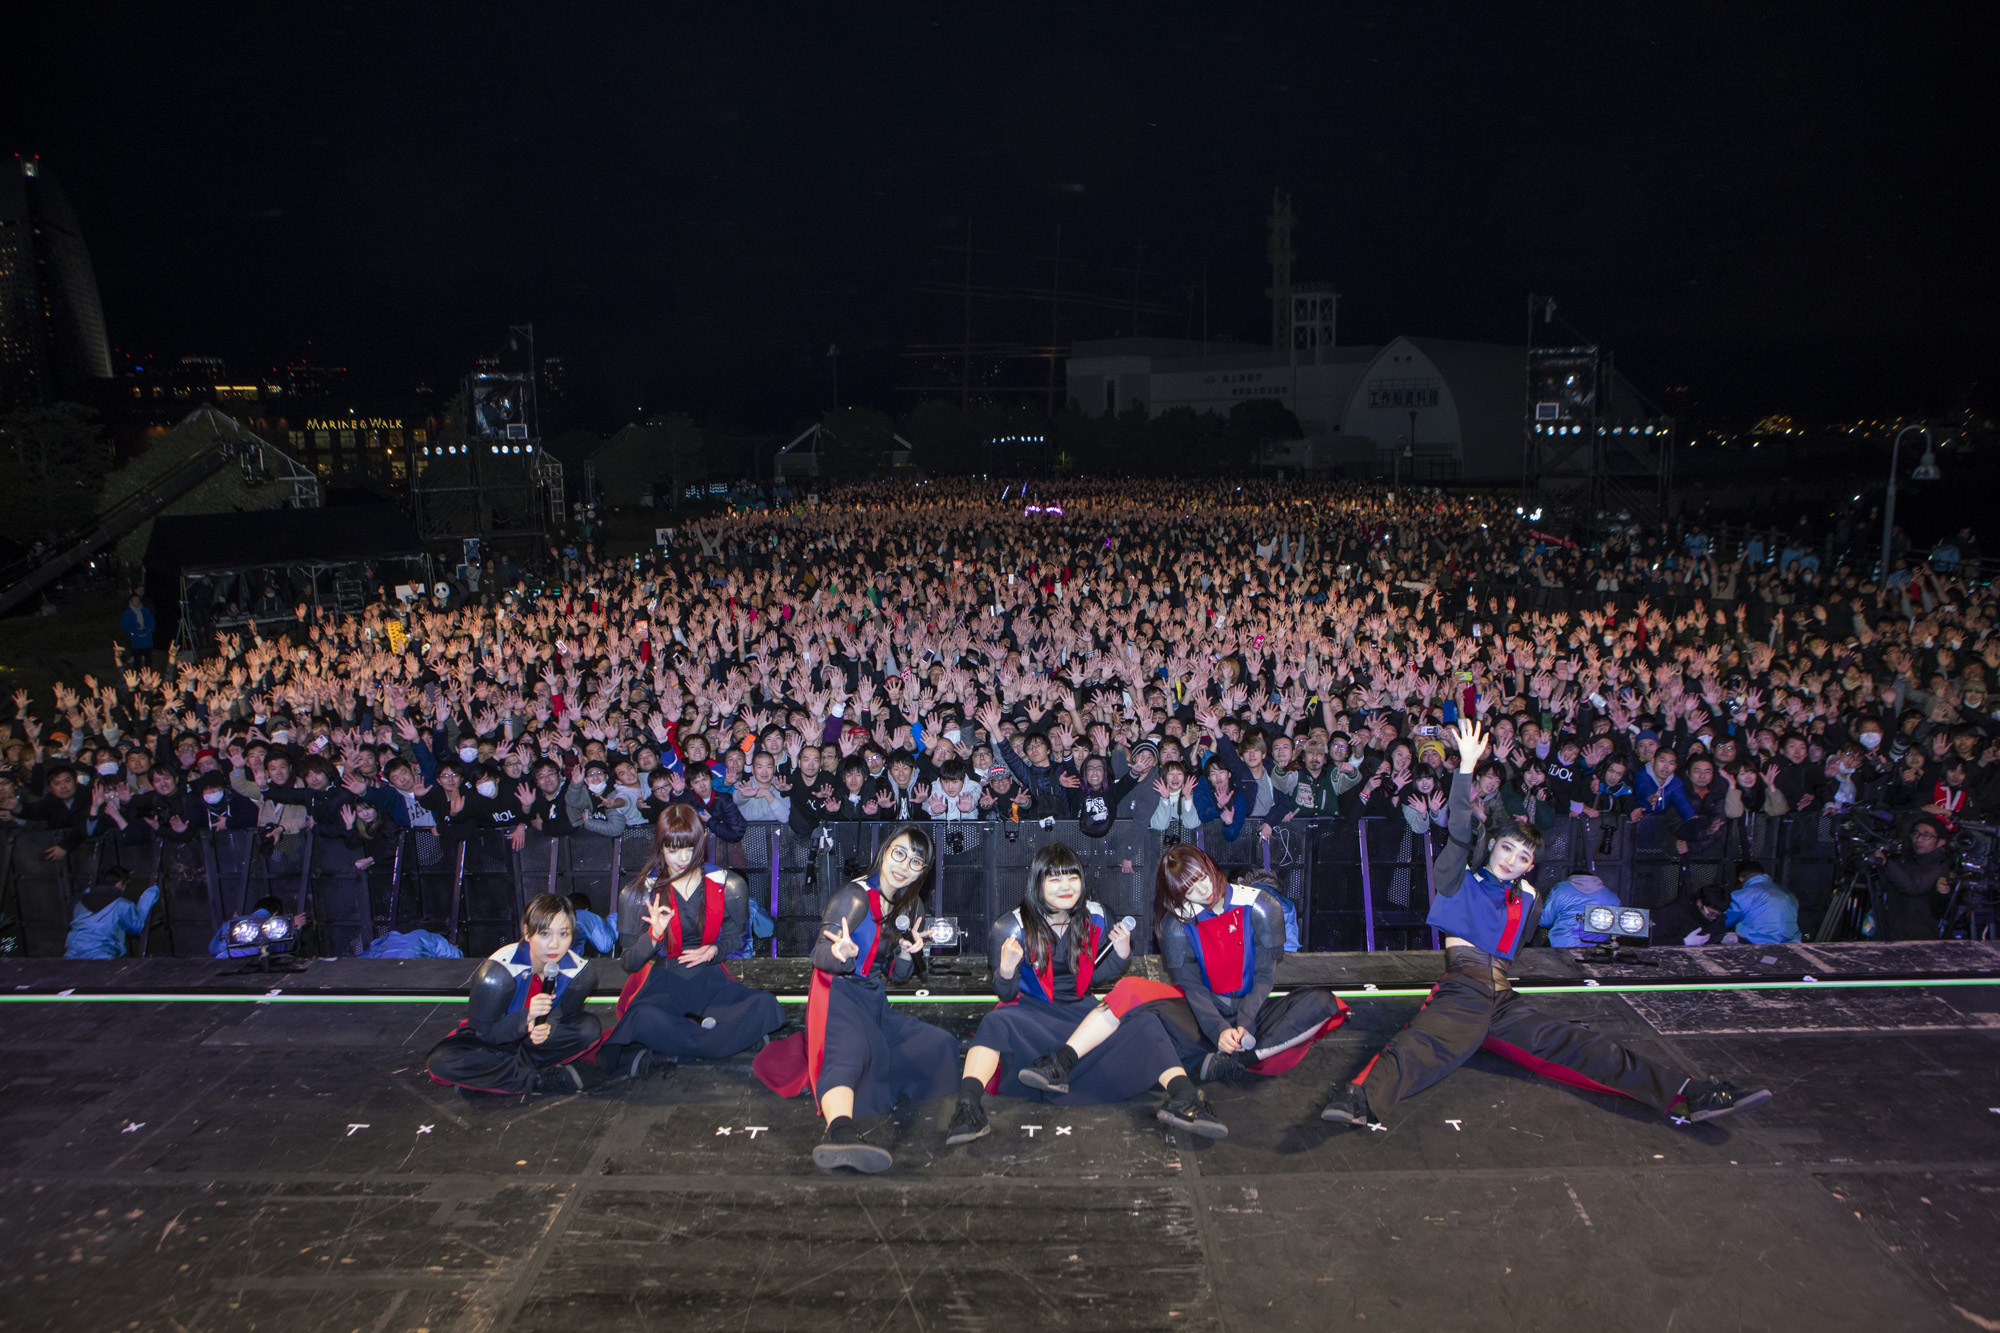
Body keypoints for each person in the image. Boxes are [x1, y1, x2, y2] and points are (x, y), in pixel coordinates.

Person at [1320, 719, 1772, 1130]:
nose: (1514, 861)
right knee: (1418, 1046)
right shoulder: (1457, 879)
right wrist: (1467, 769)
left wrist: (1525, 902)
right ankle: (1360, 1099)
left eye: (1525, 857)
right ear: (1493, 844)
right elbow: (1459, 827)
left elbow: (1511, 947)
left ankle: (1690, 1094)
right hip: (1464, 988)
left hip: (1504, 1002)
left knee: (1585, 1046)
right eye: (1508, 850)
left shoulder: (1526, 899)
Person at [1035, 845, 1344, 1126]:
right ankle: (1060, 1063)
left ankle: (1234, 1060)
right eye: (1190, 889)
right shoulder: (1176, 924)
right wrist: (1219, 1030)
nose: (1203, 891)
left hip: (1254, 1016)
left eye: (1202, 878)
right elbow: (1193, 989)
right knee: (1132, 990)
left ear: (1210, 866)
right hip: (1202, 1016)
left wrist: (1244, 1026)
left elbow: (1264, 977)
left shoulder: (1260, 905)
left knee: (1323, 1002)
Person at [944, 842, 1183, 1146]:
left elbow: (1094, 976)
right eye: (1054, 879)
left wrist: (1121, 956)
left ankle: (1185, 1098)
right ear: (1038, 882)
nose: (1066, 887)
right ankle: (967, 1109)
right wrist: (1005, 970)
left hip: (1084, 1018)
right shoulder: (1011, 926)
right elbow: (1005, 994)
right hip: (1032, 1015)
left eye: (1072, 877)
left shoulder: (1097, 916)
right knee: (995, 1023)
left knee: (1146, 1024)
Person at [752, 825, 957, 1173]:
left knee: (940, 1046)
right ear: (885, 851)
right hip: (836, 991)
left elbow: (898, 975)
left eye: (916, 861)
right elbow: (818, 954)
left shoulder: (912, 904)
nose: (904, 865)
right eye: (900, 853)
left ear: (924, 871)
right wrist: (840, 953)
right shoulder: (855, 896)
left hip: (872, 996)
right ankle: (839, 1133)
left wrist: (907, 955)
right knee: (849, 1055)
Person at [597, 806, 783, 1077]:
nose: (683, 858)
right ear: (660, 847)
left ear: (701, 842)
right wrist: (653, 937)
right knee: (642, 1018)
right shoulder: (638, 893)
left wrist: (713, 950)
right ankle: (722, 1039)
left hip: (709, 980)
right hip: (664, 983)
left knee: (764, 1005)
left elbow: (734, 938)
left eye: (689, 848)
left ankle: (674, 1046)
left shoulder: (726, 884)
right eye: (673, 850)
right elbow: (628, 962)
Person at [424, 893, 602, 1096]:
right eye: (544, 934)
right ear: (527, 933)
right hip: (493, 1040)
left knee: (588, 1028)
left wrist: (547, 1028)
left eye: (563, 934)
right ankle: (536, 1079)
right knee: (442, 1061)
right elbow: (485, 1034)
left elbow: (563, 1015)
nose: (555, 945)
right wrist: (526, 1017)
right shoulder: (497, 973)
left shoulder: (580, 973)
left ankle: (495, 1075)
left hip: (532, 1047)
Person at [1877, 816, 1953, 940]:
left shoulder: (1940, 867)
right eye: (1916, 833)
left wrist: (1886, 864)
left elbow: (1913, 887)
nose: (1919, 839)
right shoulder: (1908, 860)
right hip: (1894, 928)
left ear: (1940, 842)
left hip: (1919, 934)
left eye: (1926, 835)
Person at [64, 867, 160, 958]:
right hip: (102, 954)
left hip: (73, 953)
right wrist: (150, 894)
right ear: (119, 884)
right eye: (125, 884)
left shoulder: (80, 902)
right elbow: (136, 927)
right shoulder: (121, 904)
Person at [1724, 860, 1801, 945]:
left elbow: (1724, 921)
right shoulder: (1788, 894)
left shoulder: (1741, 896)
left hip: (1756, 949)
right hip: (1791, 947)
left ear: (1741, 879)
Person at [1538, 873, 1621, 948]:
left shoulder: (1560, 889)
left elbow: (1545, 921)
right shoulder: (1611, 896)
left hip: (1562, 945)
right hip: (1598, 948)